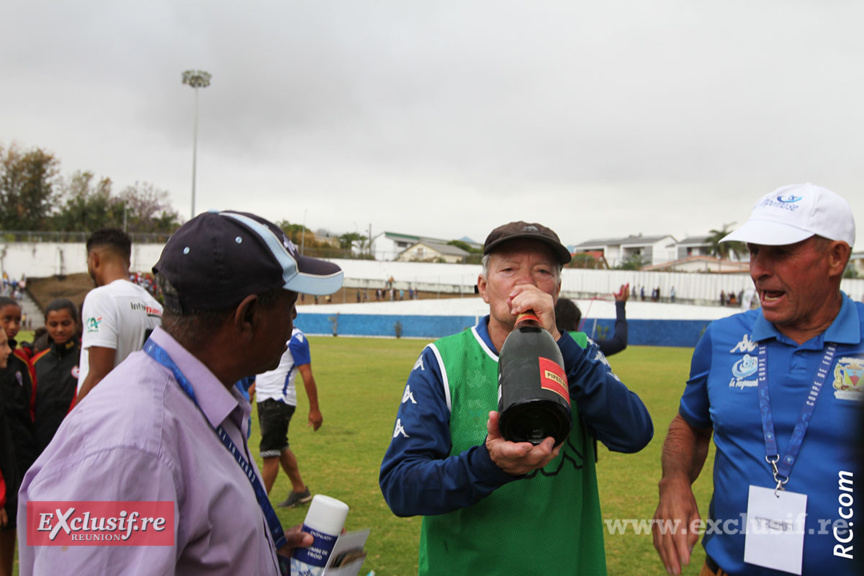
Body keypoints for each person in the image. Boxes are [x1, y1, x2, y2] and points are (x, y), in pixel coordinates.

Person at [17, 210, 344, 574]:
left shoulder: (200, 404)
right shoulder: (134, 446)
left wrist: (262, 555)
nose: (294, 320)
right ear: (248, 316)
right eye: (290, 305)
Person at [380, 221, 653, 575]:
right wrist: (487, 466)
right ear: (483, 287)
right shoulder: (443, 361)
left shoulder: (581, 354)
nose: (525, 283)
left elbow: (635, 434)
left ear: (556, 290)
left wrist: (559, 342)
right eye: (508, 269)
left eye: (542, 272)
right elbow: (401, 486)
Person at [653, 183, 862, 576]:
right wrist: (675, 480)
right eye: (754, 252)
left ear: (836, 257)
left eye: (780, 253)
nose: (757, 269)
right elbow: (690, 424)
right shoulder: (723, 337)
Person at [76, 228, 163, 403]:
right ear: (128, 261)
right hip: (141, 408)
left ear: (94, 259)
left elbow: (98, 376)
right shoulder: (154, 305)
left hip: (105, 414)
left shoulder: (101, 297)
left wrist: (70, 425)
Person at [255, 325, 322, 508]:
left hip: (279, 401)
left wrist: (314, 409)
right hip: (265, 399)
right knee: (279, 447)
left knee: (269, 453)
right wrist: (251, 392)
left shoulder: (295, 338)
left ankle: (258, 507)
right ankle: (300, 490)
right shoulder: (270, 331)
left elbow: (306, 374)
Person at [0, 297, 37, 576]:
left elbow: (31, 407)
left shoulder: (22, 363)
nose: (13, 327)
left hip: (18, 460)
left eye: (17, 320)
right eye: (6, 320)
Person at [32, 299, 81, 453]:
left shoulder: (86, 358)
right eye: (53, 324)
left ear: (75, 323)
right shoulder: (36, 362)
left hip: (75, 444)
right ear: (46, 325)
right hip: (41, 446)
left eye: (65, 323)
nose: (59, 329)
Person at [555, 283, 630, 357]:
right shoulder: (584, 343)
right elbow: (619, 342)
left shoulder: (545, 342)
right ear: (575, 322)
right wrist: (620, 304)